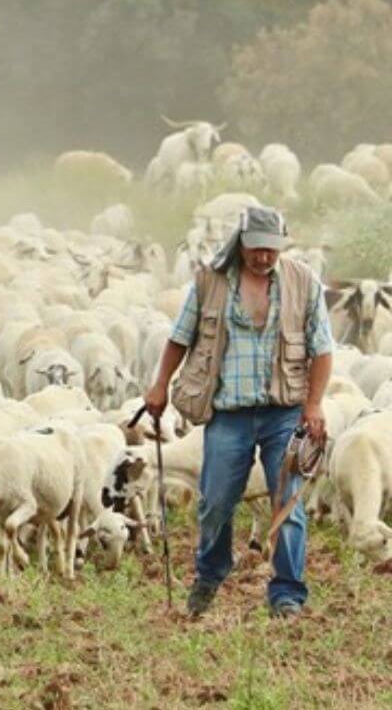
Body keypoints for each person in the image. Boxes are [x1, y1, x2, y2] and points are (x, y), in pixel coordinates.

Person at [144, 204, 334, 619]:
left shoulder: (303, 282)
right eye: (256, 248)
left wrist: (314, 403)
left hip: (283, 411)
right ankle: (210, 574)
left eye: (271, 249)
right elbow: (179, 338)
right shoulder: (210, 282)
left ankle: (287, 594)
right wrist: (160, 384)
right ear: (240, 243)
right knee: (215, 501)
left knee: (287, 503)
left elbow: (322, 348)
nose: (264, 256)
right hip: (228, 412)